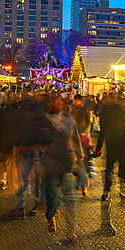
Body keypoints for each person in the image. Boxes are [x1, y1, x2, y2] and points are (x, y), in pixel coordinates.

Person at [40, 93, 84, 241]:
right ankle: (50, 216)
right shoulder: (43, 120)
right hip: (50, 162)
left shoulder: (67, 118)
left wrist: (79, 156)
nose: (56, 104)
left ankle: (71, 231)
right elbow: (39, 142)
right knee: (52, 193)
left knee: (69, 197)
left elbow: (75, 137)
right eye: (52, 101)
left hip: (66, 159)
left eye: (57, 100)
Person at [95, 93, 125, 206]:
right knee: (122, 167)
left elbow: (103, 131)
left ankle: (107, 191)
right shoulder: (121, 109)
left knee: (110, 168)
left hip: (112, 142)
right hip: (123, 141)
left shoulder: (105, 112)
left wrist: (98, 147)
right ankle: (123, 191)